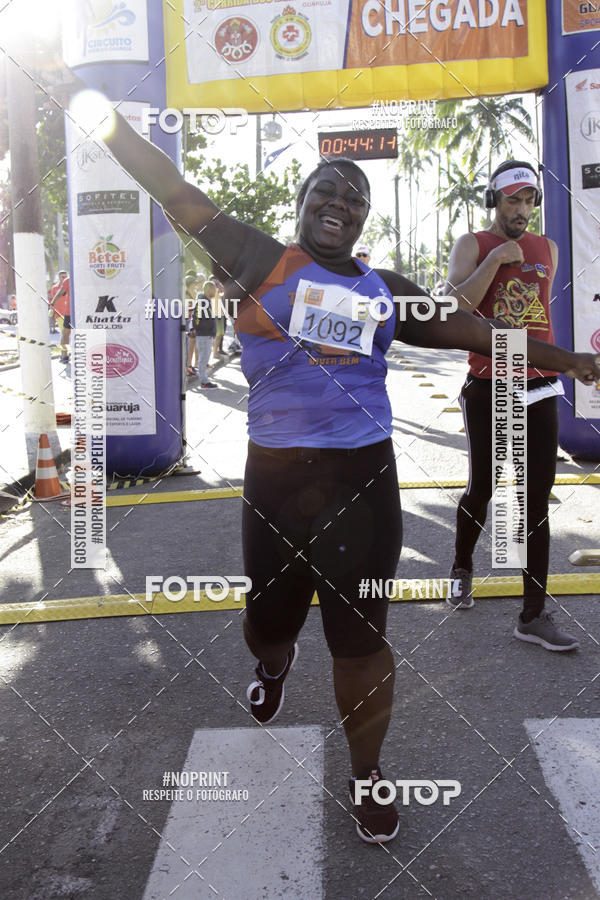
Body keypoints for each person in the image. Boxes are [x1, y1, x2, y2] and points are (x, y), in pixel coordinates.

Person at [51, 73, 600, 843]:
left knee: (362, 635)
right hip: (274, 480)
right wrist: (106, 122)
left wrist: (566, 357)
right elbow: (173, 188)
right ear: (303, 204)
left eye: (353, 199)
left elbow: (475, 334)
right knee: (268, 627)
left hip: (364, 478)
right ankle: (273, 669)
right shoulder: (255, 257)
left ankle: (368, 774)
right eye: (325, 193)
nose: (338, 204)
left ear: (364, 216)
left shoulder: (384, 289)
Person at [444, 159, 580, 651]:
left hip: (540, 386)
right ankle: (462, 564)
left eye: (529, 201)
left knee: (533, 501)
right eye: (512, 200)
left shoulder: (549, 248)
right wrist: (494, 261)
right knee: (482, 487)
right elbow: (454, 307)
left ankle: (532, 614)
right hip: (488, 386)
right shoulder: (473, 244)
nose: (522, 209)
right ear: (494, 202)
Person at [192, 280, 218, 389]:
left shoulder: (205, 301)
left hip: (206, 334)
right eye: (213, 289)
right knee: (203, 360)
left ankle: (204, 379)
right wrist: (197, 328)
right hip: (203, 335)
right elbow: (196, 316)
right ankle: (204, 381)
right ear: (209, 289)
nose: (215, 292)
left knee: (204, 359)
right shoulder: (202, 301)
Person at [49, 270, 71, 362]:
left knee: (65, 333)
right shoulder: (55, 287)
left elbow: (60, 293)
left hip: (69, 312)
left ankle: (64, 355)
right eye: (62, 276)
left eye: (65, 276)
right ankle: (64, 354)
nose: (64, 278)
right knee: (65, 333)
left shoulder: (68, 281)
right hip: (63, 313)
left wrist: (52, 303)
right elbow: (59, 293)